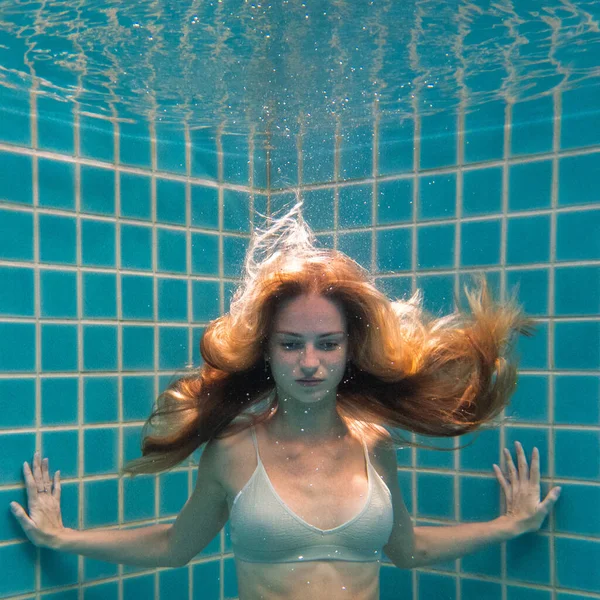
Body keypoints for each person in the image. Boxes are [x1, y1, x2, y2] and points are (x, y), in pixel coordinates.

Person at [10, 199, 562, 600]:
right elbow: (173, 547)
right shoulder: (233, 449)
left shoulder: (376, 445)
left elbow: (407, 550)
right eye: (291, 344)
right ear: (266, 352)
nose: (310, 362)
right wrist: (63, 537)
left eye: (328, 344)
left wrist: (511, 525)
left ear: (351, 350)